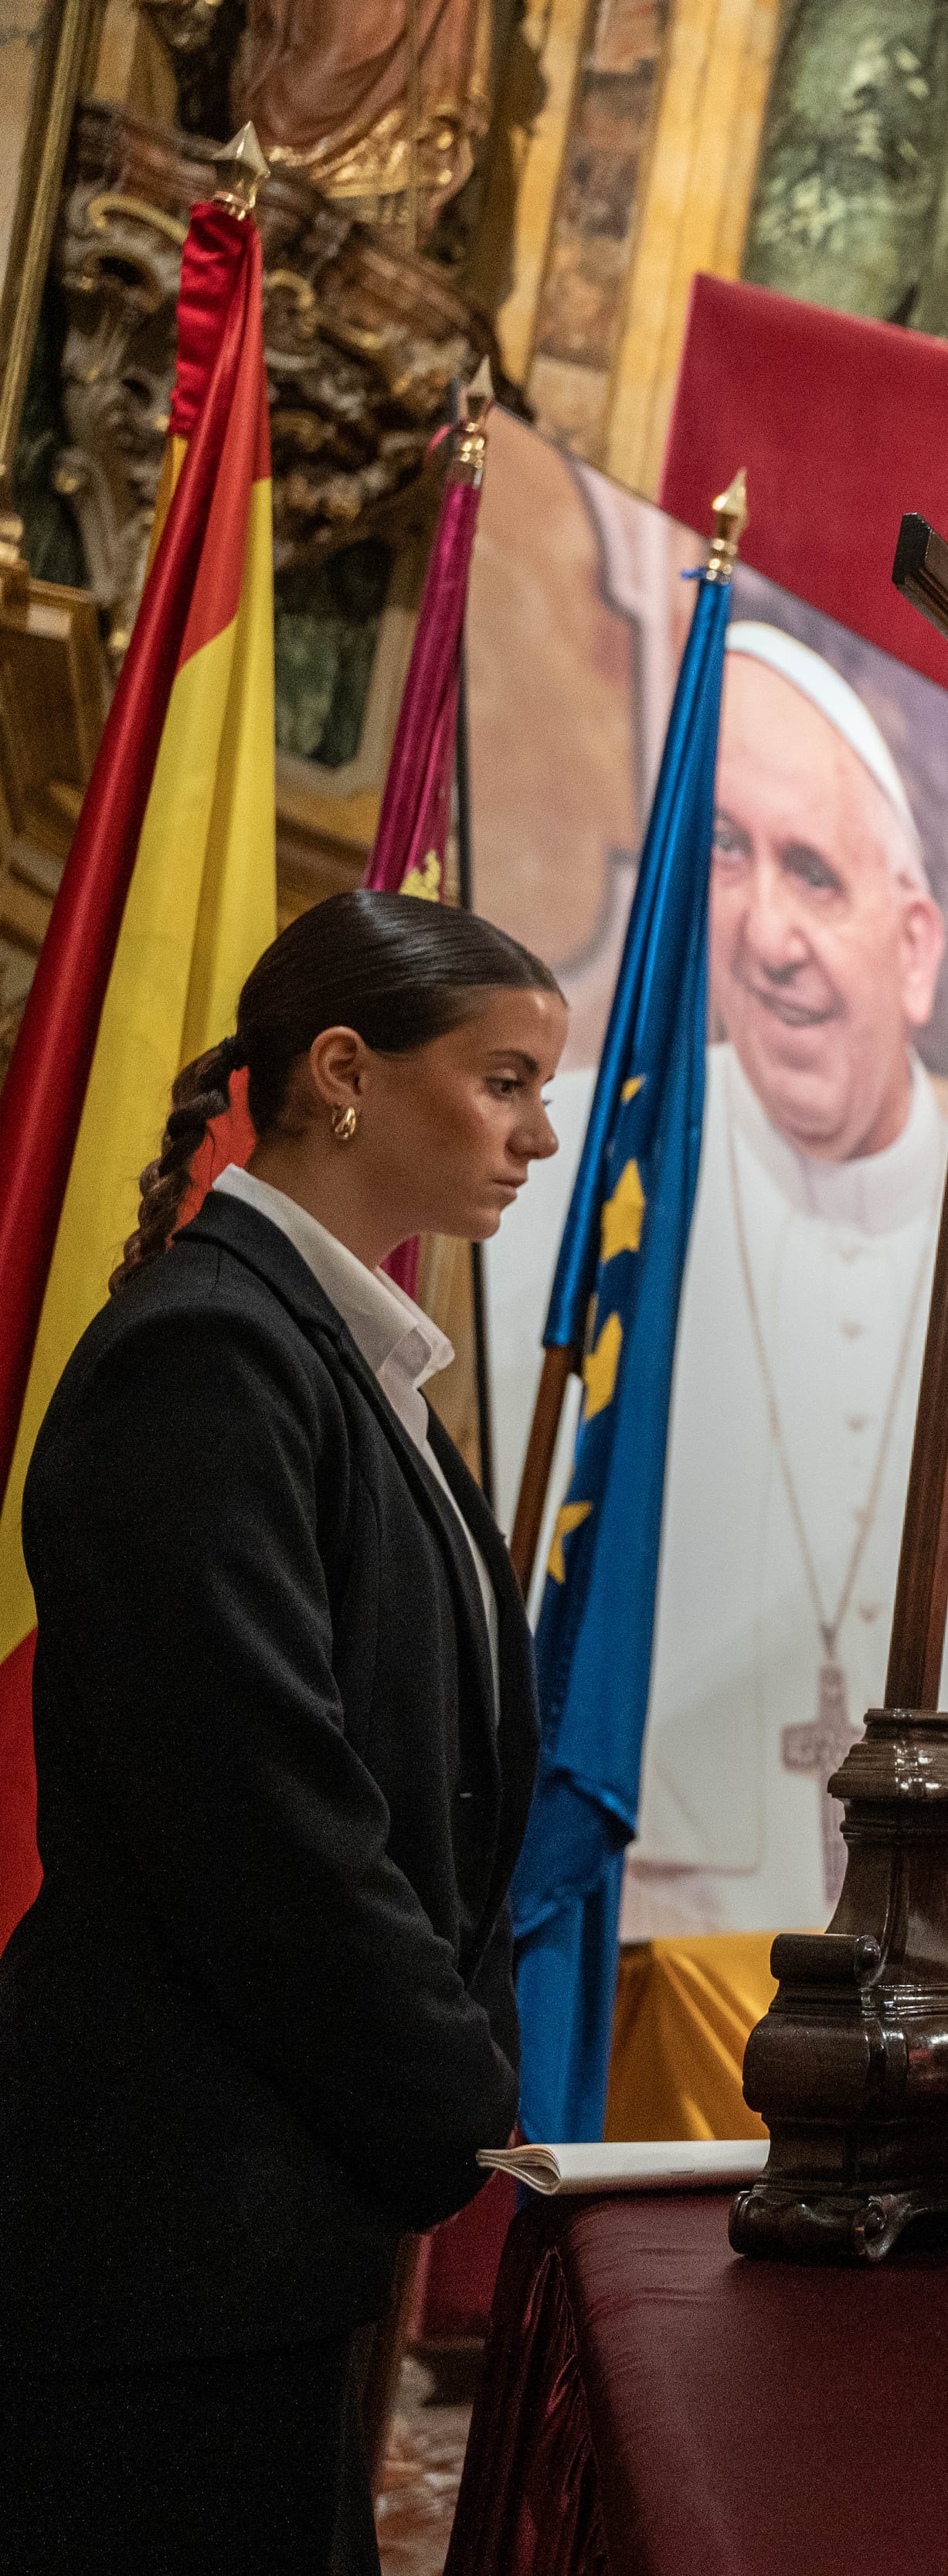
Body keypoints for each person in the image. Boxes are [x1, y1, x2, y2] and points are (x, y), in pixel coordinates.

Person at [0, 892, 564, 2573]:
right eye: (507, 1076)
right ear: (342, 1071)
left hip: (277, 2191)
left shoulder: (347, 1357)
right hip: (167, 2212)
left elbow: (435, 1774)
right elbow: (262, 1805)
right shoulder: (208, 1350)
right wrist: (446, 2088)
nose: (542, 1131)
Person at [486, 619, 948, 1935]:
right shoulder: (569, 1196)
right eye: (726, 855)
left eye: (814, 872)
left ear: (920, 942)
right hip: (639, 1945)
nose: (763, 933)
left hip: (945, 1966)